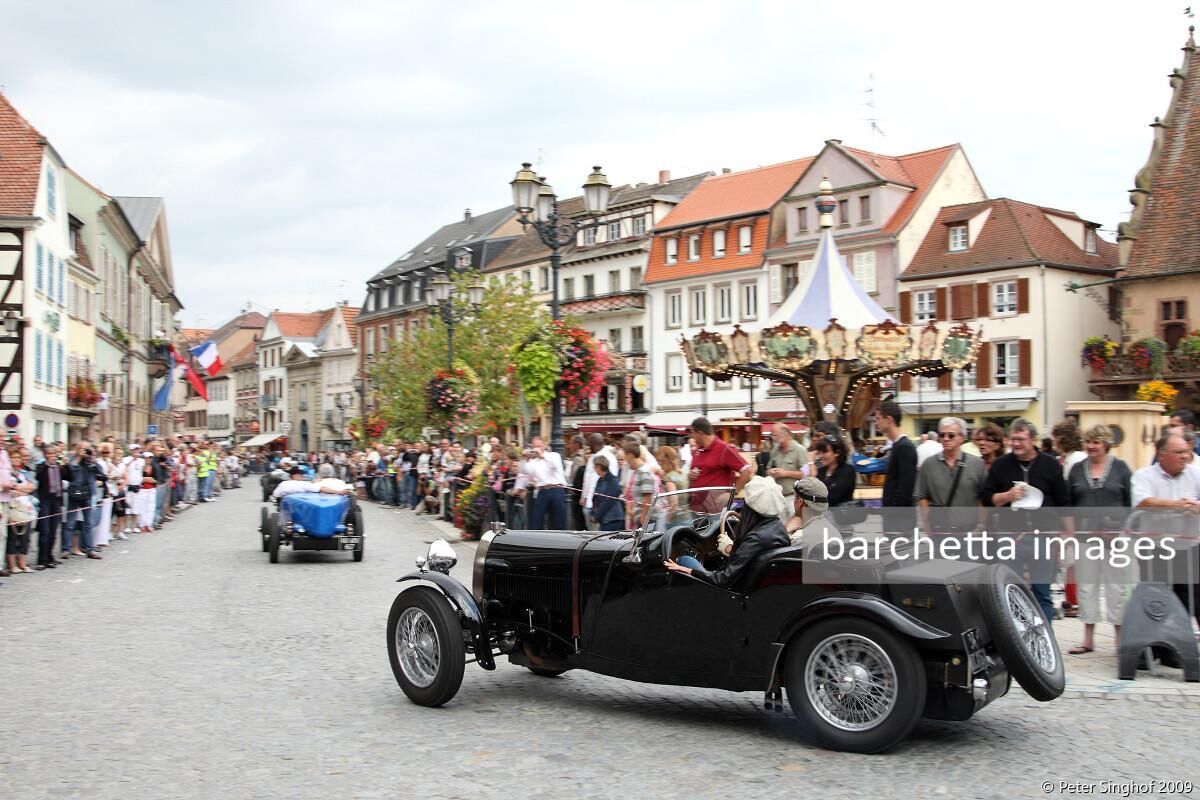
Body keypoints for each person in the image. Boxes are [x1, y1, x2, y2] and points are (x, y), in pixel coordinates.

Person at [981, 419, 1071, 623]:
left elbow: (1063, 502)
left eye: (1021, 439)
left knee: (1042, 593)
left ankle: (1045, 643)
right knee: (1012, 592)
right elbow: (987, 499)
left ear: (1033, 440)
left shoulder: (1050, 465)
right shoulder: (1001, 465)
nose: (1016, 444)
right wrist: (1007, 496)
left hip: (1043, 537)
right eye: (1013, 439)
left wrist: (1066, 535)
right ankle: (1019, 639)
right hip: (1010, 537)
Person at [1066, 424, 1133, 654]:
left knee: (1116, 588)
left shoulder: (1121, 468)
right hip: (1085, 538)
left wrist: (1122, 529)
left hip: (1115, 539)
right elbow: (1069, 504)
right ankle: (1088, 638)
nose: (1091, 447)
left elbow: (1129, 503)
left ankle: (1119, 637)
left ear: (1105, 444)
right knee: (1086, 587)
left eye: (1095, 442)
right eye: (1088, 442)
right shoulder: (1076, 469)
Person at [665, 475, 789, 590]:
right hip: (756, 587)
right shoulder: (779, 528)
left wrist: (688, 570)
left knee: (685, 560)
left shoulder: (755, 538)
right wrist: (732, 550)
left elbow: (723, 579)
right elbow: (749, 558)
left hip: (733, 591)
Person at [1131, 432, 1200, 626]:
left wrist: (1195, 506)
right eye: (1178, 452)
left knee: (1192, 598)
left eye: (1187, 451)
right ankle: (1157, 647)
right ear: (1162, 455)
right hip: (1155, 549)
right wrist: (1175, 505)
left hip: (1189, 548)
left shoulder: (1196, 474)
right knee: (1156, 598)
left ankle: (1183, 642)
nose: (1185, 456)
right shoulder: (1144, 475)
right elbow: (1143, 502)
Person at [914, 417, 986, 536]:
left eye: (951, 435)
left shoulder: (977, 464)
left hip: (969, 531)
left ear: (962, 438)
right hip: (939, 531)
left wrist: (980, 526)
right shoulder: (928, 464)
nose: (946, 439)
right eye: (942, 435)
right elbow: (922, 497)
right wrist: (927, 526)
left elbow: (982, 499)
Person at [687, 417, 752, 511]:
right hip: (698, 509)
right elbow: (695, 475)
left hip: (716, 510)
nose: (691, 436)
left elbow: (747, 470)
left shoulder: (724, 448)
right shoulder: (698, 450)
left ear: (700, 433)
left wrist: (732, 493)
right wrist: (690, 476)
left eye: (692, 432)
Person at [875, 400, 916, 509]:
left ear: (889, 420)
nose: (876, 423)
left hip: (899, 520)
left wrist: (891, 511)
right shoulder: (898, 445)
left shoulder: (904, 447)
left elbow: (905, 489)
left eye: (878, 418)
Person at [523, 436, 567, 530]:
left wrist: (543, 456)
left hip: (556, 490)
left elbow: (554, 466)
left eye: (539, 446)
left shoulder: (554, 455)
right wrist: (527, 459)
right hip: (542, 491)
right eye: (535, 446)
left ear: (544, 445)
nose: (537, 448)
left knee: (558, 521)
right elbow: (527, 471)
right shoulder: (534, 461)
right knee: (537, 520)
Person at [766, 423, 808, 521]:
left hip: (793, 497)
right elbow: (768, 469)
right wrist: (771, 472)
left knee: (794, 528)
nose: (773, 438)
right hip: (778, 497)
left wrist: (786, 473)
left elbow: (806, 473)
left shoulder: (799, 449)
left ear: (785, 434)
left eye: (774, 435)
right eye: (772, 435)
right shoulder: (775, 450)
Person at [5, 445, 36, 575]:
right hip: (12, 508)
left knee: (25, 537)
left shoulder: (24, 472)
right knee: (12, 537)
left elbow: (32, 486)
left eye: (18, 457)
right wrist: (22, 489)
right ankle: (12, 565)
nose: (17, 460)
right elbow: (9, 491)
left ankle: (22, 563)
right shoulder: (6, 473)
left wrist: (20, 489)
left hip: (26, 508)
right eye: (14, 457)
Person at [785, 476, 839, 548]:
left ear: (800, 501)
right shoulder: (833, 531)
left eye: (795, 498)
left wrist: (787, 536)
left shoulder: (798, 540)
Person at [34, 443, 65, 570]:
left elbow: (70, 477)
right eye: (49, 454)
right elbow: (38, 476)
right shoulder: (41, 466)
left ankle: (50, 556)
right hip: (45, 500)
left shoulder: (59, 466)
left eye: (54, 454)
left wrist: (66, 465)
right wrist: (46, 465)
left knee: (53, 531)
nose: (52, 456)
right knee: (45, 531)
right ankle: (42, 559)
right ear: (45, 455)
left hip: (56, 500)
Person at [581, 434, 619, 530]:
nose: (589, 447)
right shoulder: (600, 457)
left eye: (589, 445)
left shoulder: (603, 458)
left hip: (600, 507)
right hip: (593, 503)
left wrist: (585, 497)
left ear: (594, 444)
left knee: (595, 533)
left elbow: (591, 479)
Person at [814, 436, 856, 507]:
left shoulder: (847, 470)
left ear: (837, 452)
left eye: (825, 451)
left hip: (841, 515)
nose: (821, 456)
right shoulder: (821, 470)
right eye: (819, 452)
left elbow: (833, 496)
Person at [591, 456, 625, 532]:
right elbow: (596, 498)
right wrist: (593, 513)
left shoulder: (613, 481)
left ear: (599, 467)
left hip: (613, 520)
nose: (594, 468)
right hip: (604, 519)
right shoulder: (600, 480)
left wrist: (597, 516)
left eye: (594, 466)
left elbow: (608, 501)